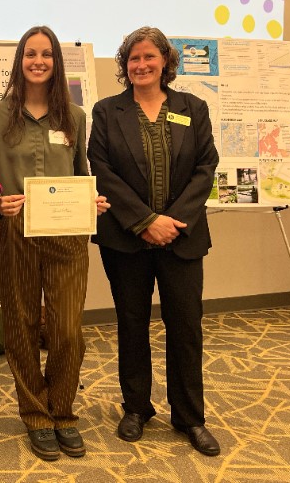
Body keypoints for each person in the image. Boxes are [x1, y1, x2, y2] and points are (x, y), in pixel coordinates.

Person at [86, 26, 221, 456]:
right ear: (125, 67)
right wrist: (144, 221)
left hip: (181, 238)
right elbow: (102, 168)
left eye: (149, 57)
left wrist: (170, 222)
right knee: (131, 323)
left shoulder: (193, 107)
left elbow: (206, 167)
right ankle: (137, 408)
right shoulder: (107, 111)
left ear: (165, 61)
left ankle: (189, 417)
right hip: (126, 239)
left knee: (185, 327)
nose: (141, 65)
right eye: (133, 59)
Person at [0, 26, 110, 462]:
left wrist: (92, 201)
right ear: (19, 61)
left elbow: (80, 172)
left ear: (57, 62)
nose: (38, 61)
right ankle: (36, 415)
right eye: (30, 54)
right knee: (19, 323)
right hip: (15, 232)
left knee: (67, 329)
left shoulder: (75, 116)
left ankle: (63, 410)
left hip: (67, 234)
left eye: (47, 55)